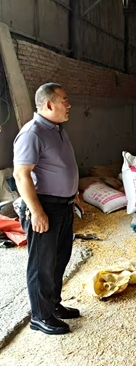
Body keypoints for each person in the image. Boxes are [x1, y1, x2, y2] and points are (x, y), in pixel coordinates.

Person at [13, 83, 81, 335]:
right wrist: (37, 212)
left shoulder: (56, 129)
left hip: (63, 206)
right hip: (45, 207)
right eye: (64, 100)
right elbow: (21, 175)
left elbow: (62, 167)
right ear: (49, 104)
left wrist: (74, 194)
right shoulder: (33, 132)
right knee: (42, 264)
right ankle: (40, 316)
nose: (69, 104)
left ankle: (52, 304)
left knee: (59, 259)